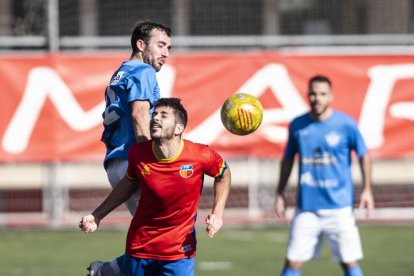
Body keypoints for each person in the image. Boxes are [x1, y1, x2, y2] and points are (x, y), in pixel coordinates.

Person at [80, 98, 231, 276]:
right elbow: (127, 185)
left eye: (164, 115)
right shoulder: (138, 154)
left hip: (180, 252)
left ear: (178, 129)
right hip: (140, 247)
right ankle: (108, 270)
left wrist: (217, 213)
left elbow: (223, 174)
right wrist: (97, 215)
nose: (156, 118)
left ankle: (106, 270)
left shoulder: (201, 155)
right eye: (155, 114)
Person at [275, 75, 374, 276]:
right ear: (307, 95)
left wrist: (367, 190)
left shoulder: (345, 124)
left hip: (339, 208)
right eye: (313, 93)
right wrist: (280, 192)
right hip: (307, 208)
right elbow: (288, 159)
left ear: (331, 96)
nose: (317, 98)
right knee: (292, 262)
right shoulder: (297, 125)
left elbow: (364, 155)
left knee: (349, 262)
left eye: (322, 94)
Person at [101, 20, 171, 215]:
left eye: (168, 47)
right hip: (134, 161)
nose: (166, 53)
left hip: (115, 165)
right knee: (166, 232)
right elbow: (139, 114)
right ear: (140, 45)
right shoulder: (143, 71)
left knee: (146, 235)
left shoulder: (121, 72)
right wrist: (150, 159)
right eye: (160, 45)